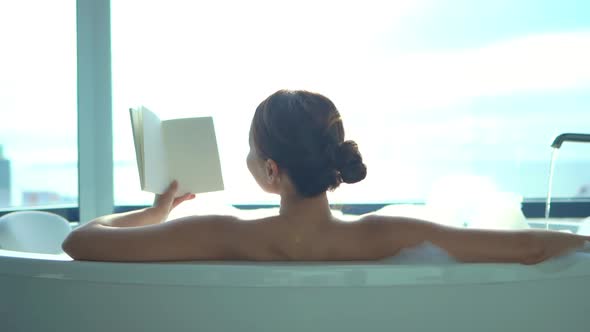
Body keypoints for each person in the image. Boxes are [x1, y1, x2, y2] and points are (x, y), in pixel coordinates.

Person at [62, 89, 589, 263]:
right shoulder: (387, 232)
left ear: (271, 170)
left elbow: (79, 242)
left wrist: (156, 211)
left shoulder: (221, 233)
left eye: (251, 150)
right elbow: (529, 246)